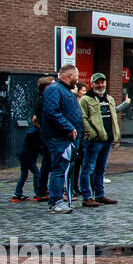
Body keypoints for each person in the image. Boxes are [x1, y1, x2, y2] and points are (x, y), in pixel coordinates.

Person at [78, 73, 127, 207]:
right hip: (94, 140)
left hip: (107, 138)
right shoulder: (85, 99)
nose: (100, 85)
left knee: (101, 168)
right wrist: (92, 133)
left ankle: (99, 195)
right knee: (88, 168)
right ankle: (87, 196)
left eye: (102, 82)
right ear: (92, 83)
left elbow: (114, 114)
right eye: (97, 83)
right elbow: (82, 118)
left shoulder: (109, 98)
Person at [40, 65, 83, 213]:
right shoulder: (54, 89)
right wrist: (69, 127)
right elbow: (51, 112)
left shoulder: (66, 91)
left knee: (63, 169)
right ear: (70, 75)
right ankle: (56, 202)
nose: (78, 79)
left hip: (66, 138)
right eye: (76, 76)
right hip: (58, 137)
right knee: (59, 169)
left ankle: (60, 200)